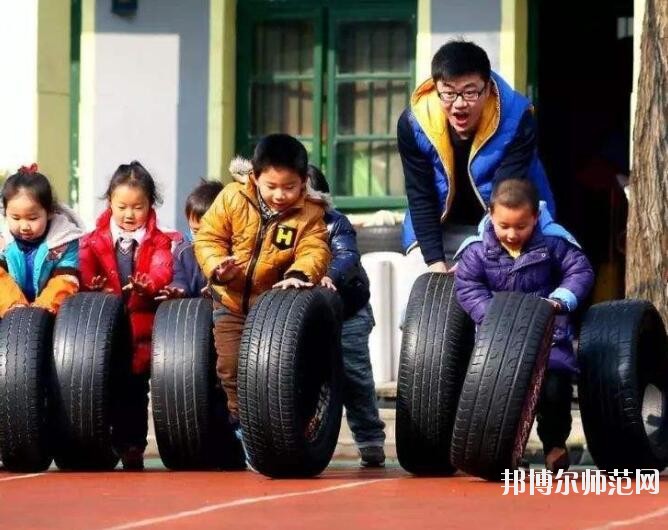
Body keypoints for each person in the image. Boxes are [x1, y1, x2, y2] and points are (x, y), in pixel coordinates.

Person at [193, 134, 331, 444]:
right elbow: (208, 238)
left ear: (303, 180)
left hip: (276, 311)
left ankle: (293, 425)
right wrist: (217, 267)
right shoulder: (232, 198)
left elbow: (315, 249)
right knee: (230, 366)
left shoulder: (309, 213)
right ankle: (244, 426)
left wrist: (299, 272)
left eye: (289, 187)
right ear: (254, 177)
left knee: (279, 371)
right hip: (230, 301)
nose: (280, 195)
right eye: (271, 186)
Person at [454, 178, 594, 472]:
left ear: (535, 218)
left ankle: (554, 444)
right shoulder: (477, 250)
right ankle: (507, 453)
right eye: (503, 225)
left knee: (554, 391)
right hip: (498, 341)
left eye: (521, 226)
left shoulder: (554, 242)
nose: (511, 233)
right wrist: (494, 316)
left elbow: (579, 271)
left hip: (547, 338)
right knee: (499, 400)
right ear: (491, 214)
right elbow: (467, 286)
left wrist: (560, 300)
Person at [398, 39, 556, 272]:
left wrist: (476, 258)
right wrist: (434, 262)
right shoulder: (414, 123)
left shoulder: (518, 118)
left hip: (510, 225)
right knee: (418, 284)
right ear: (435, 89)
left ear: (489, 88)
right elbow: (420, 194)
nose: (459, 104)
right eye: (449, 93)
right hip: (440, 229)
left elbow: (506, 197)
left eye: (470, 92)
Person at [79, 160, 173, 470]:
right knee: (104, 389)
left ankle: (133, 447)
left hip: (139, 332)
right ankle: (107, 441)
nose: (129, 215)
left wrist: (150, 284)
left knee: (135, 392)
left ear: (150, 205)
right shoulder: (94, 241)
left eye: (138, 207)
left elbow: (162, 267)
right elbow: (82, 266)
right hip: (101, 336)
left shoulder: (158, 241)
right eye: (122, 207)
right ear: (110, 203)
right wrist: (90, 283)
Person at [306, 164, 386, 467]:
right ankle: (303, 435)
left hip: (348, 312)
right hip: (306, 316)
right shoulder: (283, 226)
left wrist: (329, 275)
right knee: (304, 375)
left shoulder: (336, 224)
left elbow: (347, 256)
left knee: (354, 376)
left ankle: (369, 439)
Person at [0, 164, 84, 317]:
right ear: (5, 213)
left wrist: (42, 309)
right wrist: (15, 308)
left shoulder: (65, 241)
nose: (24, 226)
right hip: (9, 316)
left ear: (50, 212)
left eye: (32, 218)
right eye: (16, 218)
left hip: (51, 316)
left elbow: (65, 281)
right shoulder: (3, 242)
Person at [156, 179, 223, 301]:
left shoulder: (232, 252)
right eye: (195, 231)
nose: (200, 238)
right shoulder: (183, 251)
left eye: (207, 233)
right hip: (193, 313)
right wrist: (177, 290)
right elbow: (179, 279)